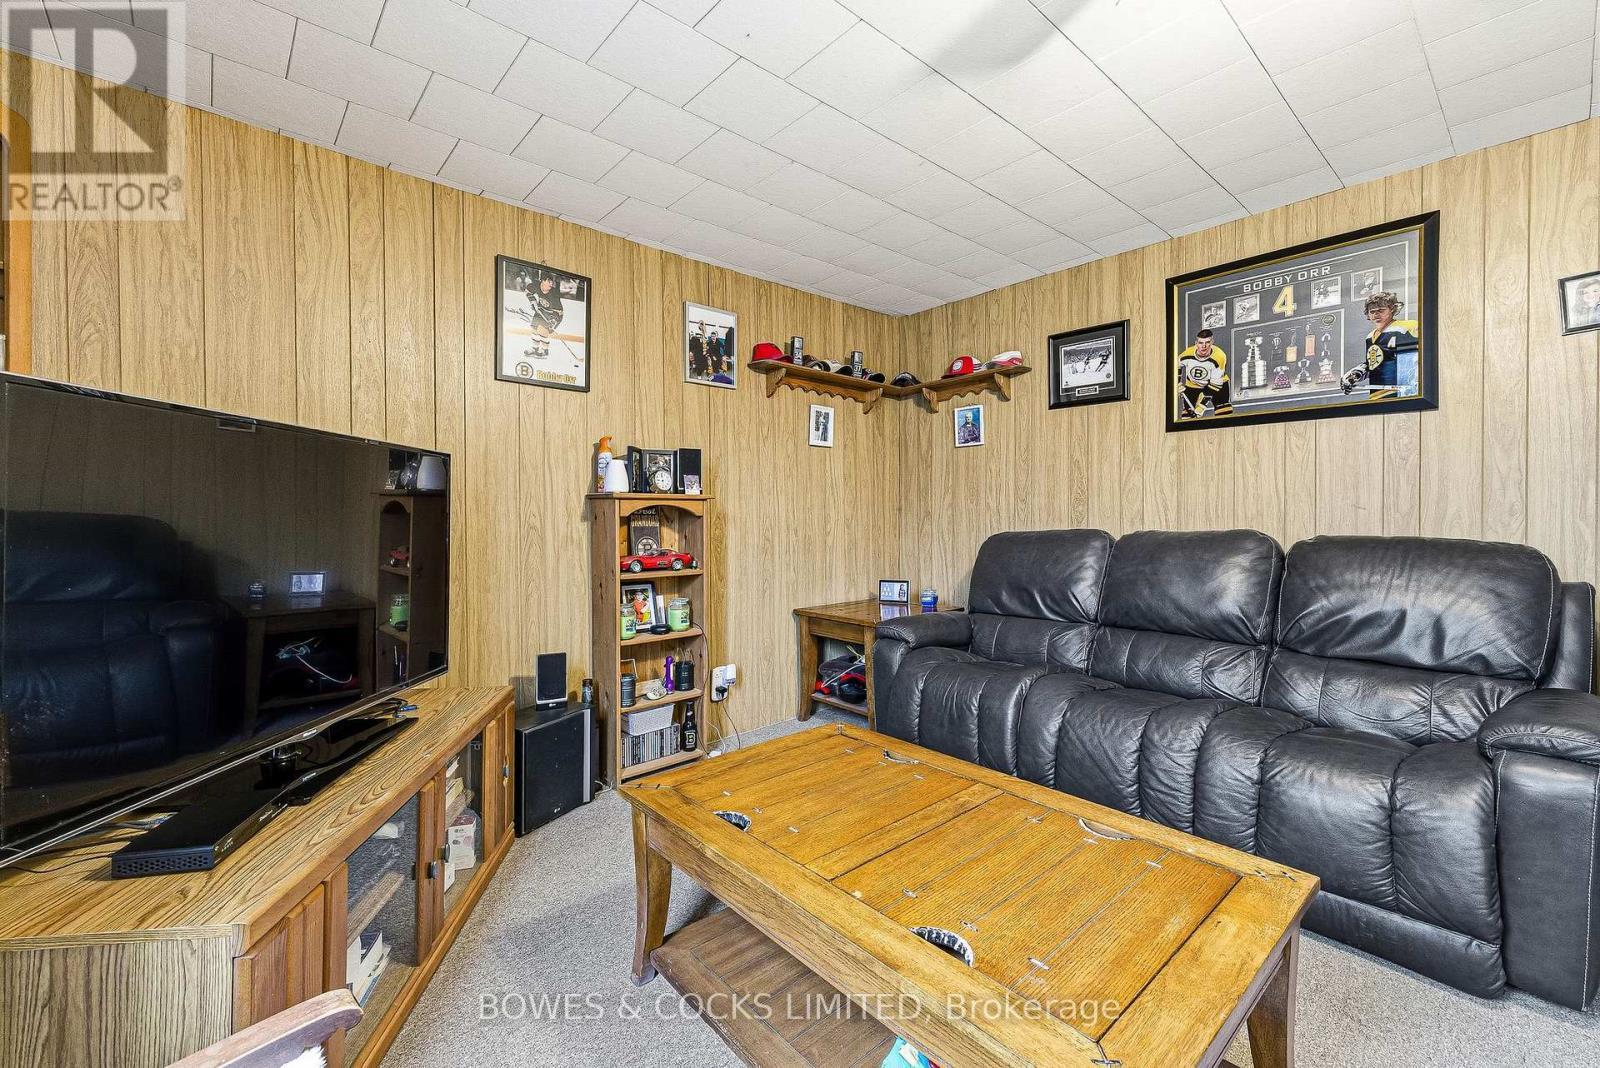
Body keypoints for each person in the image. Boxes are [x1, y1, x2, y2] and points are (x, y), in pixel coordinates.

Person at [1341, 291, 1418, 398]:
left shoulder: (1408, 327)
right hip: (1376, 394)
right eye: (1372, 311)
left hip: (1402, 392)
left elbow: (1424, 353)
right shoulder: (1370, 336)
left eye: (1381, 310)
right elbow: (1374, 363)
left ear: (1392, 309)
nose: (1376, 314)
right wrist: (1356, 373)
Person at [1175, 328, 1232, 419]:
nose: (1204, 346)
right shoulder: (1187, 354)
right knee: (1188, 416)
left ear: (1212, 342)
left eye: (1207, 342)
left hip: (1217, 385)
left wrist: (1202, 405)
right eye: (1201, 343)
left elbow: (1215, 385)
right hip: (1193, 385)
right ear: (1196, 343)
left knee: (1224, 412)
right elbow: (1175, 366)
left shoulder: (1219, 357)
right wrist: (1176, 383)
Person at [523, 272, 564, 361]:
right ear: (542, 281)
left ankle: (545, 350)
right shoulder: (535, 285)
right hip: (540, 311)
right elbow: (527, 290)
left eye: (552, 282)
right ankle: (535, 349)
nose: (551, 284)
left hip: (553, 315)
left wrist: (553, 320)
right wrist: (532, 301)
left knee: (542, 331)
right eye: (549, 281)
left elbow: (559, 311)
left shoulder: (554, 294)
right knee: (534, 329)